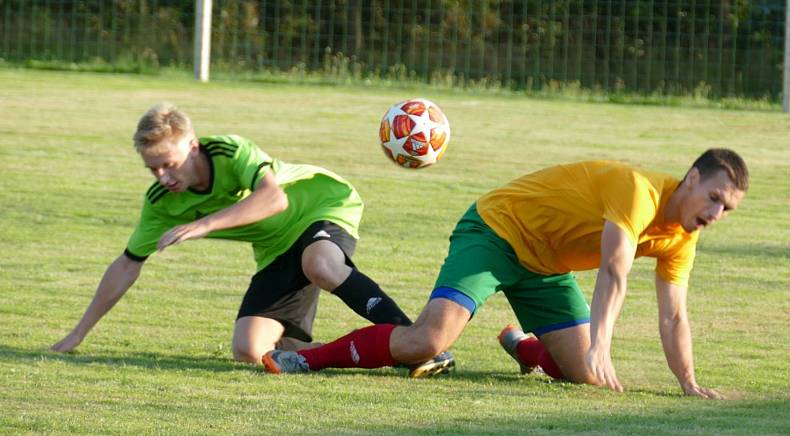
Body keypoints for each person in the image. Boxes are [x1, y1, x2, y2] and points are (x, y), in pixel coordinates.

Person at [262, 149, 748, 399]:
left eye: (727, 209)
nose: (717, 212)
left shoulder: (683, 237)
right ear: (690, 179)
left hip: (544, 267)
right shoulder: (638, 190)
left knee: (587, 377)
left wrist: (688, 381)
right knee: (425, 342)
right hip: (497, 232)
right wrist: (602, 342)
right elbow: (614, 271)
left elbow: (675, 317)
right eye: (714, 198)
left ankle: (524, 346)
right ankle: (306, 359)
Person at [50, 103, 454, 377]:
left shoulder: (230, 151)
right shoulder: (161, 202)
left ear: (192, 146)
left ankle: (418, 342)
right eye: (152, 169)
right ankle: (318, 353)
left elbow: (273, 198)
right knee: (249, 349)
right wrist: (78, 334)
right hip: (277, 249)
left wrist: (206, 224)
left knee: (321, 265)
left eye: (168, 165)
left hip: (320, 206)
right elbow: (127, 264)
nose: (162, 177)